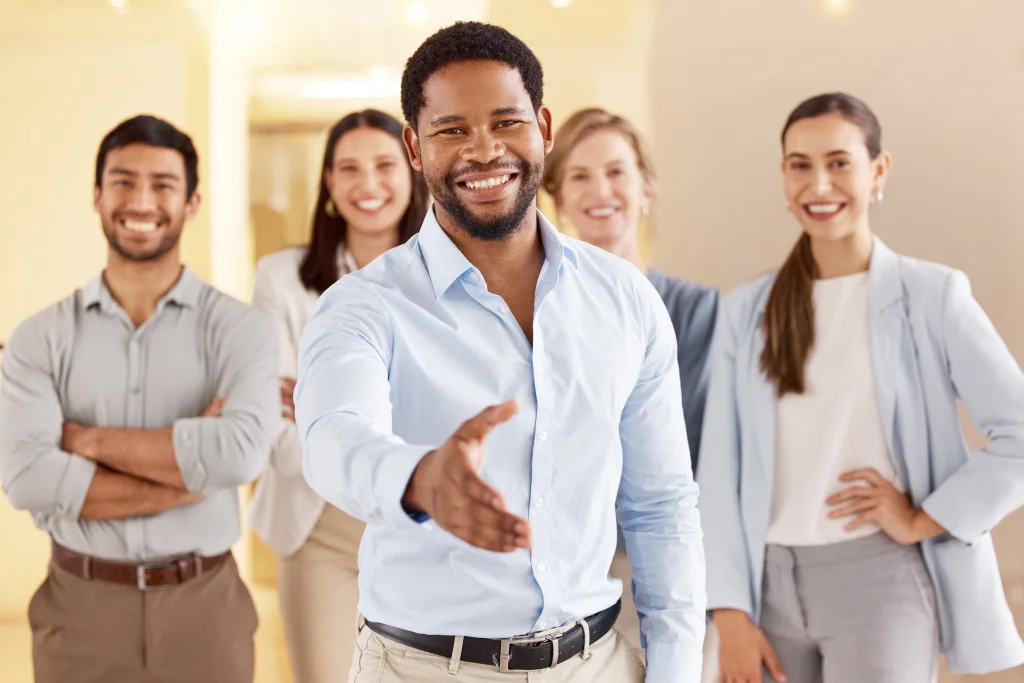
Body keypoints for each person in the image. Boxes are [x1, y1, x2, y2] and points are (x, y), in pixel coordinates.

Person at [295, 20, 706, 683]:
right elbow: (332, 438)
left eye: (506, 122)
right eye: (453, 129)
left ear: (543, 128)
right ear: (414, 145)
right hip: (423, 668)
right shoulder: (362, 306)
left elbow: (660, 505)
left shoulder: (625, 299)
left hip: (598, 662)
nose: (483, 150)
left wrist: (677, 669)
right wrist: (421, 478)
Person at [697, 92, 1024, 683]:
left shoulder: (933, 296)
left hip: (882, 583)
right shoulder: (746, 310)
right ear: (784, 177)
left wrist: (925, 518)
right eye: (800, 164)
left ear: (879, 171)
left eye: (839, 162)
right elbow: (718, 472)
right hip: (764, 588)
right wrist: (728, 613)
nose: (819, 183)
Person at [0, 115, 279, 683]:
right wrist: (186, 475)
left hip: (205, 608)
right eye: (123, 181)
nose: (141, 200)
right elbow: (26, 477)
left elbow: (239, 456)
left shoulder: (242, 330)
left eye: (163, 184)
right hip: (79, 608)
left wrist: (81, 441)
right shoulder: (38, 337)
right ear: (97, 196)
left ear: (192, 200)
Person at [247, 108, 428, 683]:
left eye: (383, 165)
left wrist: (322, 404)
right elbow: (279, 441)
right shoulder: (280, 278)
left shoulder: (452, 273)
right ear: (328, 183)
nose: (367, 184)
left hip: (420, 519)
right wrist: (397, 406)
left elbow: (459, 412)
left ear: (414, 169)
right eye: (348, 168)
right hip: (317, 523)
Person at [541, 106, 718, 655]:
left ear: (646, 189)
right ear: (558, 198)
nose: (601, 190)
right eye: (580, 175)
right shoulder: (537, 313)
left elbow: (703, 449)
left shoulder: (695, 311)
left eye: (617, 171)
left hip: (668, 562)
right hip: (564, 573)